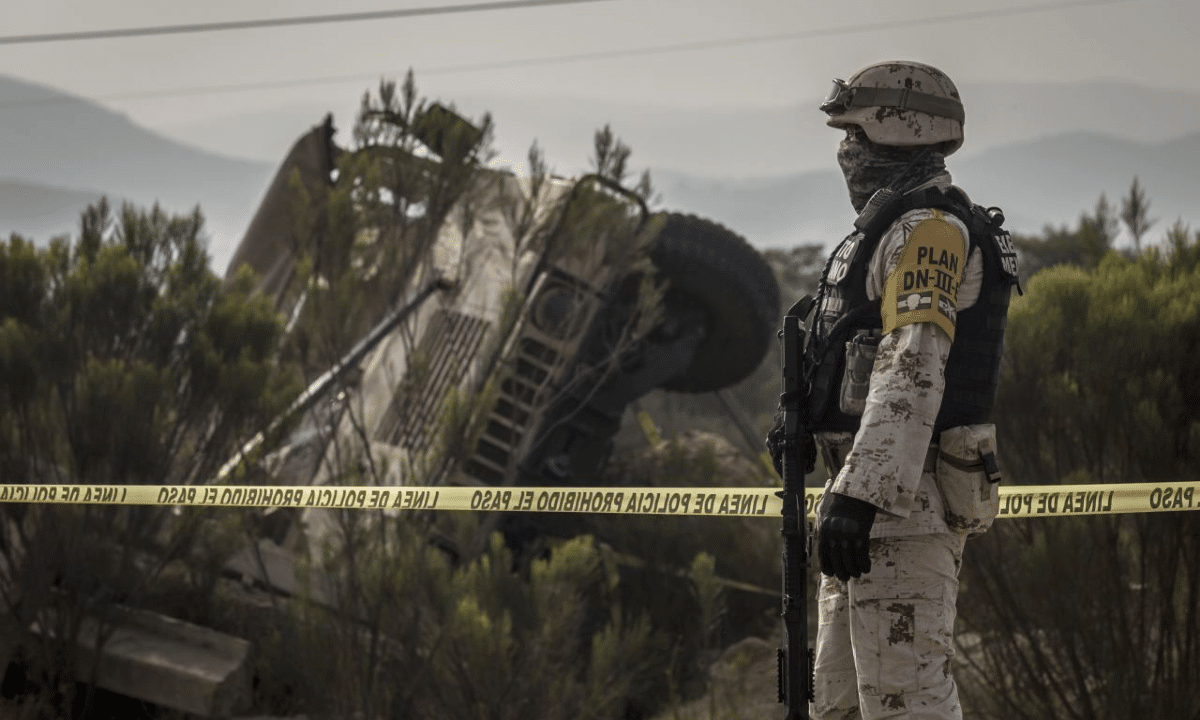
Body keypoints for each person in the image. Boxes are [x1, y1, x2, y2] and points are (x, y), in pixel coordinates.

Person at [775, 61, 1018, 719]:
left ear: (898, 132)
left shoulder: (929, 231)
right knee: (838, 704)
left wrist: (862, 492)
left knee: (905, 703)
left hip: (905, 511)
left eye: (854, 134)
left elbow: (913, 364)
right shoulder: (889, 228)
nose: (846, 153)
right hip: (865, 505)